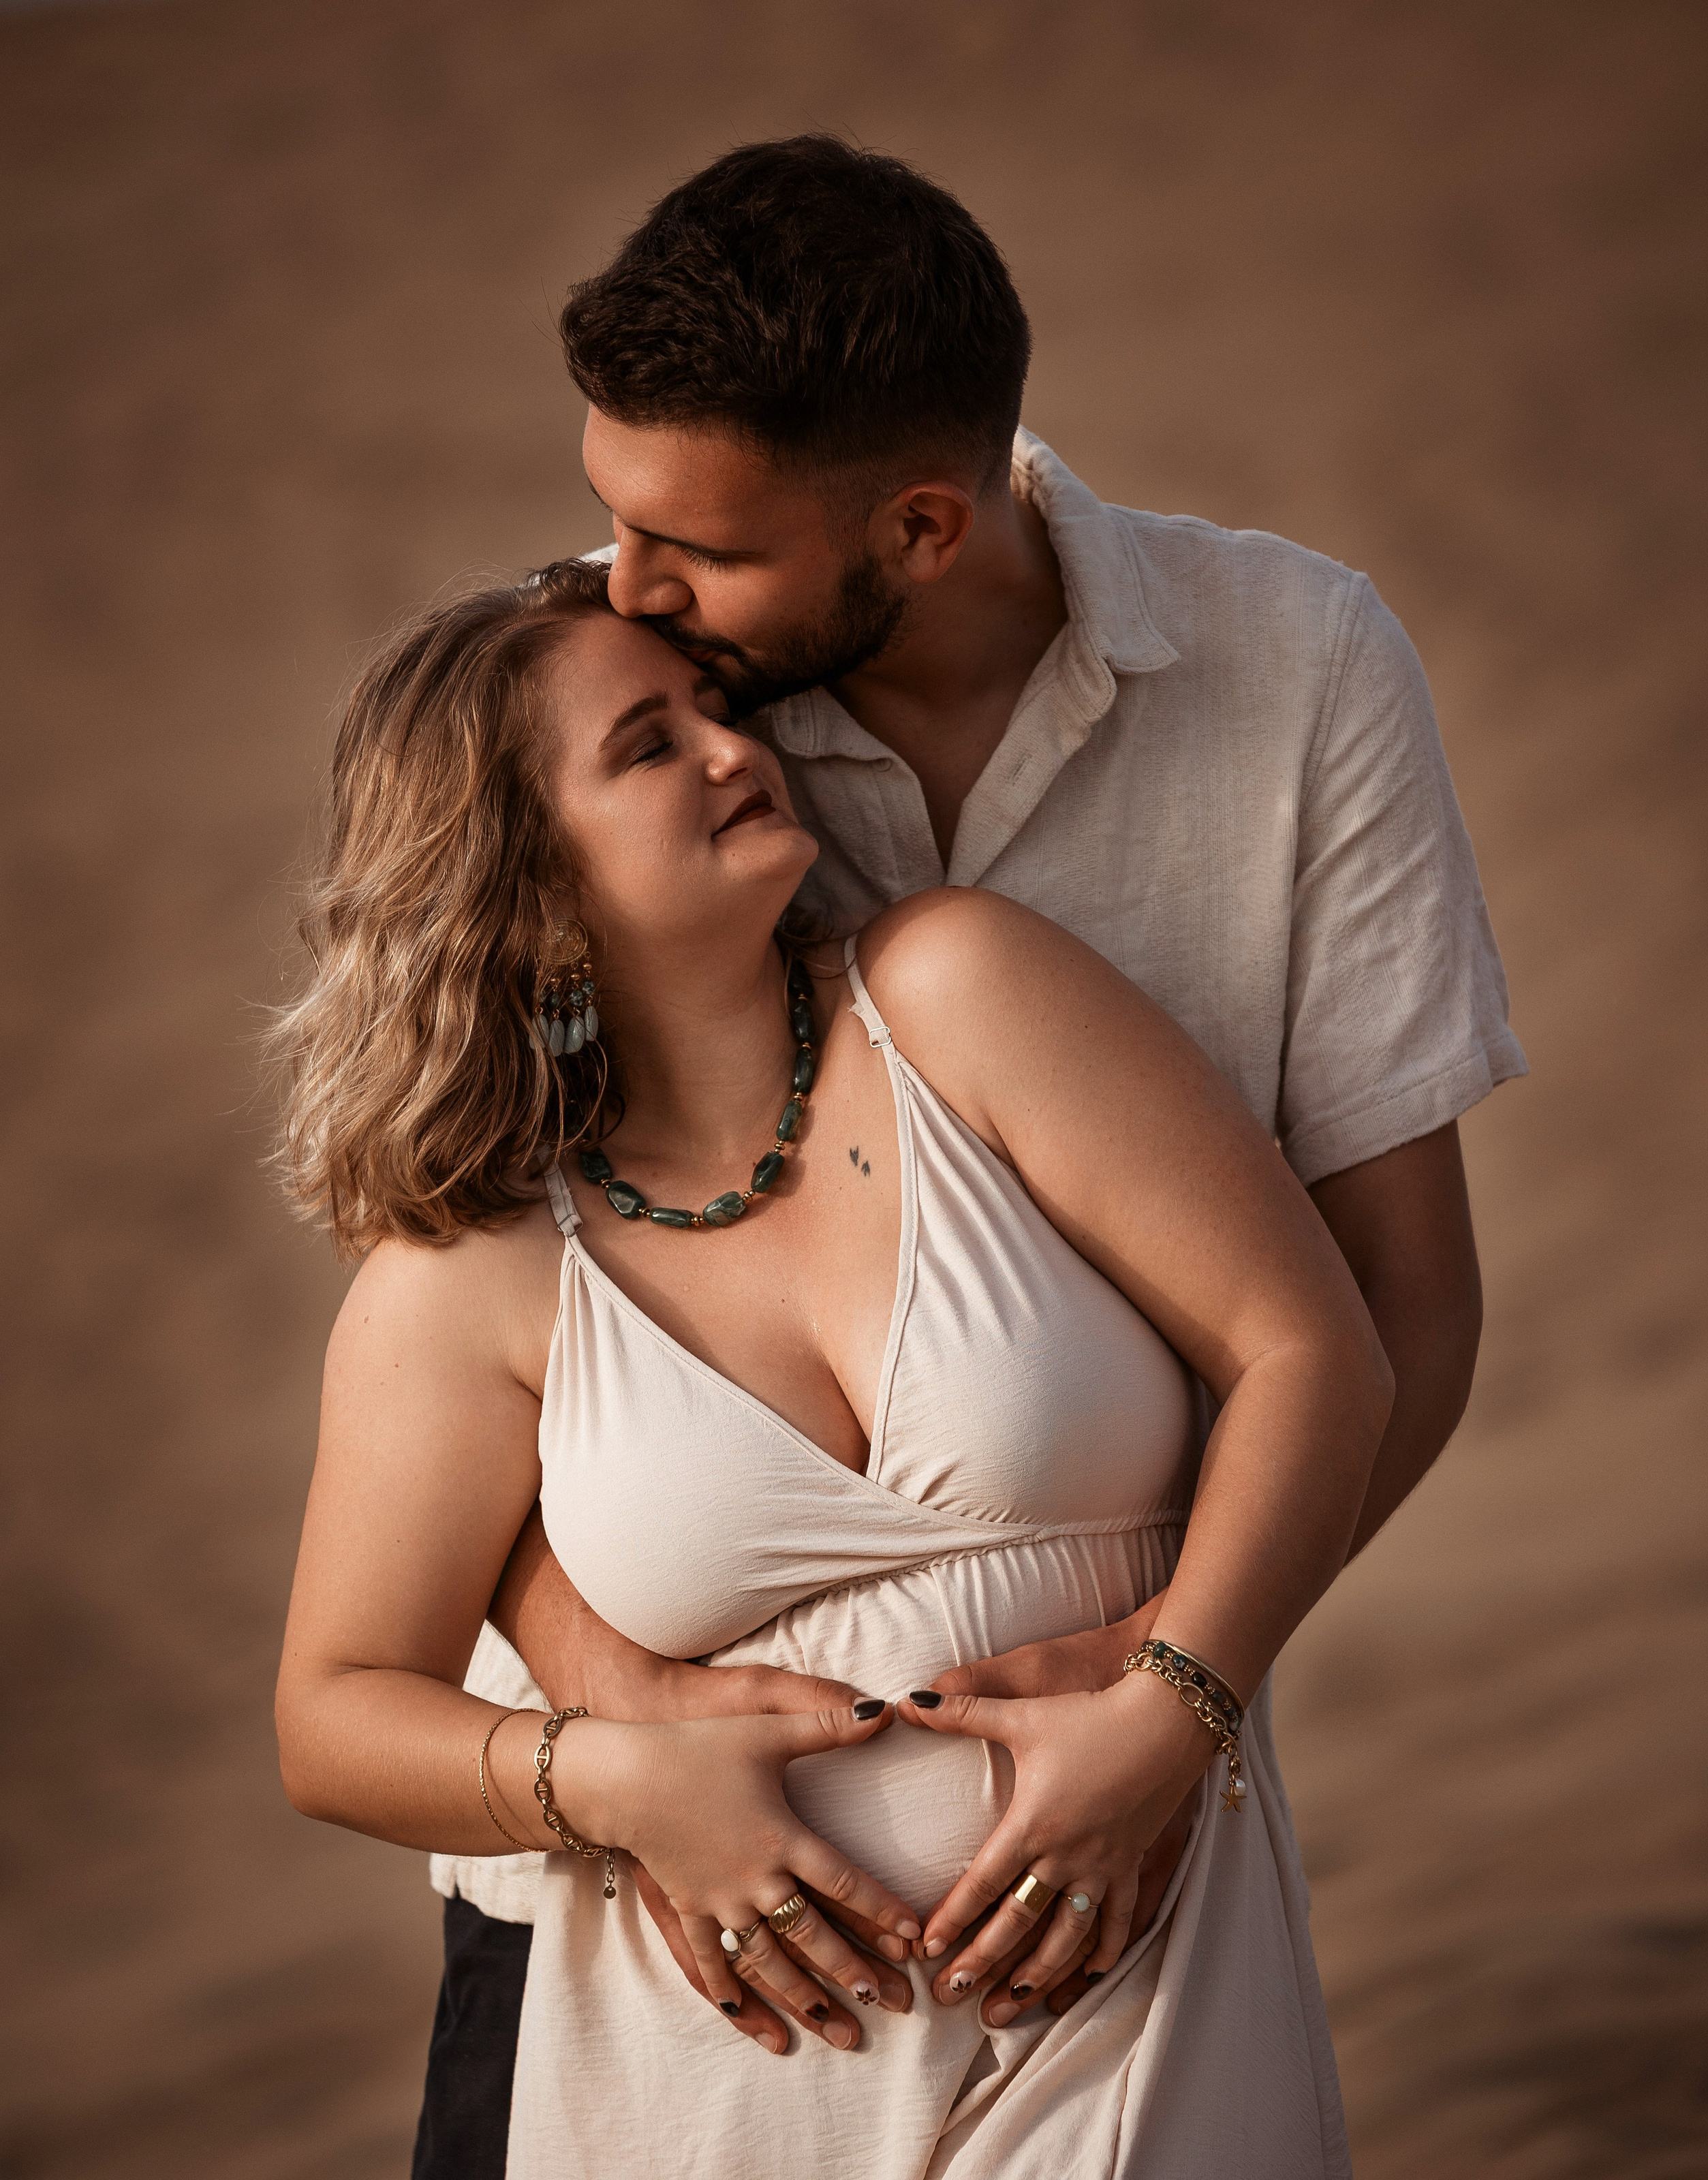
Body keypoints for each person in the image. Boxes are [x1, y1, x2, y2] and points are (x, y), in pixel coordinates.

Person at [392, 134, 1522, 2173]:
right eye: (608, 518)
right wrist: (630, 1728)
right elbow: (473, 1313)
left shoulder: (1294, 676)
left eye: (689, 550)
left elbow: (1401, 1307)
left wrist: (1174, 1694)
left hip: (1090, 1899)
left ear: (916, 526)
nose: (617, 588)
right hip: (623, 1916)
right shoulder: (634, 701)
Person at [273, 555, 1395, 2179]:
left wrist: (1171, 1713)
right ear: (524, 889)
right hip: (723, 2073)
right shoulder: (474, 1272)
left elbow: (1314, 1351)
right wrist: (623, 1784)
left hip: (1141, 1987)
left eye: (714, 711)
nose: (734, 750)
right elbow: (333, 1713)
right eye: (646, 747)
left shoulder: (960, 994)